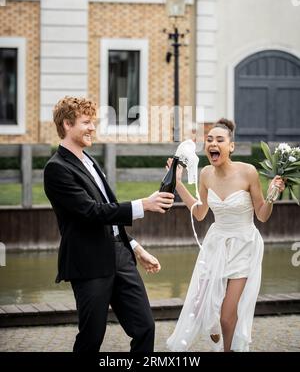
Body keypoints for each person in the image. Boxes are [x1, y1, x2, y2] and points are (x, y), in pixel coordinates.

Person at [44, 96, 174, 352]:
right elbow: (91, 212)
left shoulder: (90, 161)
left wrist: (135, 247)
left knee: (145, 327)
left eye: (93, 122)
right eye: (86, 122)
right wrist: (143, 205)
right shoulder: (56, 168)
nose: (93, 127)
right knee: (92, 337)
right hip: (89, 262)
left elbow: (108, 214)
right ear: (67, 124)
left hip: (121, 256)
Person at [167, 118, 285, 352]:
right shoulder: (206, 174)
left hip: (244, 246)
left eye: (220, 140)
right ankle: (215, 331)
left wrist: (272, 195)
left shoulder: (248, 172)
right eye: (209, 140)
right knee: (206, 307)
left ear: (231, 146)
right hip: (215, 245)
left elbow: (262, 215)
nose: (213, 143)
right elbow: (200, 214)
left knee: (227, 317)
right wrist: (178, 183)